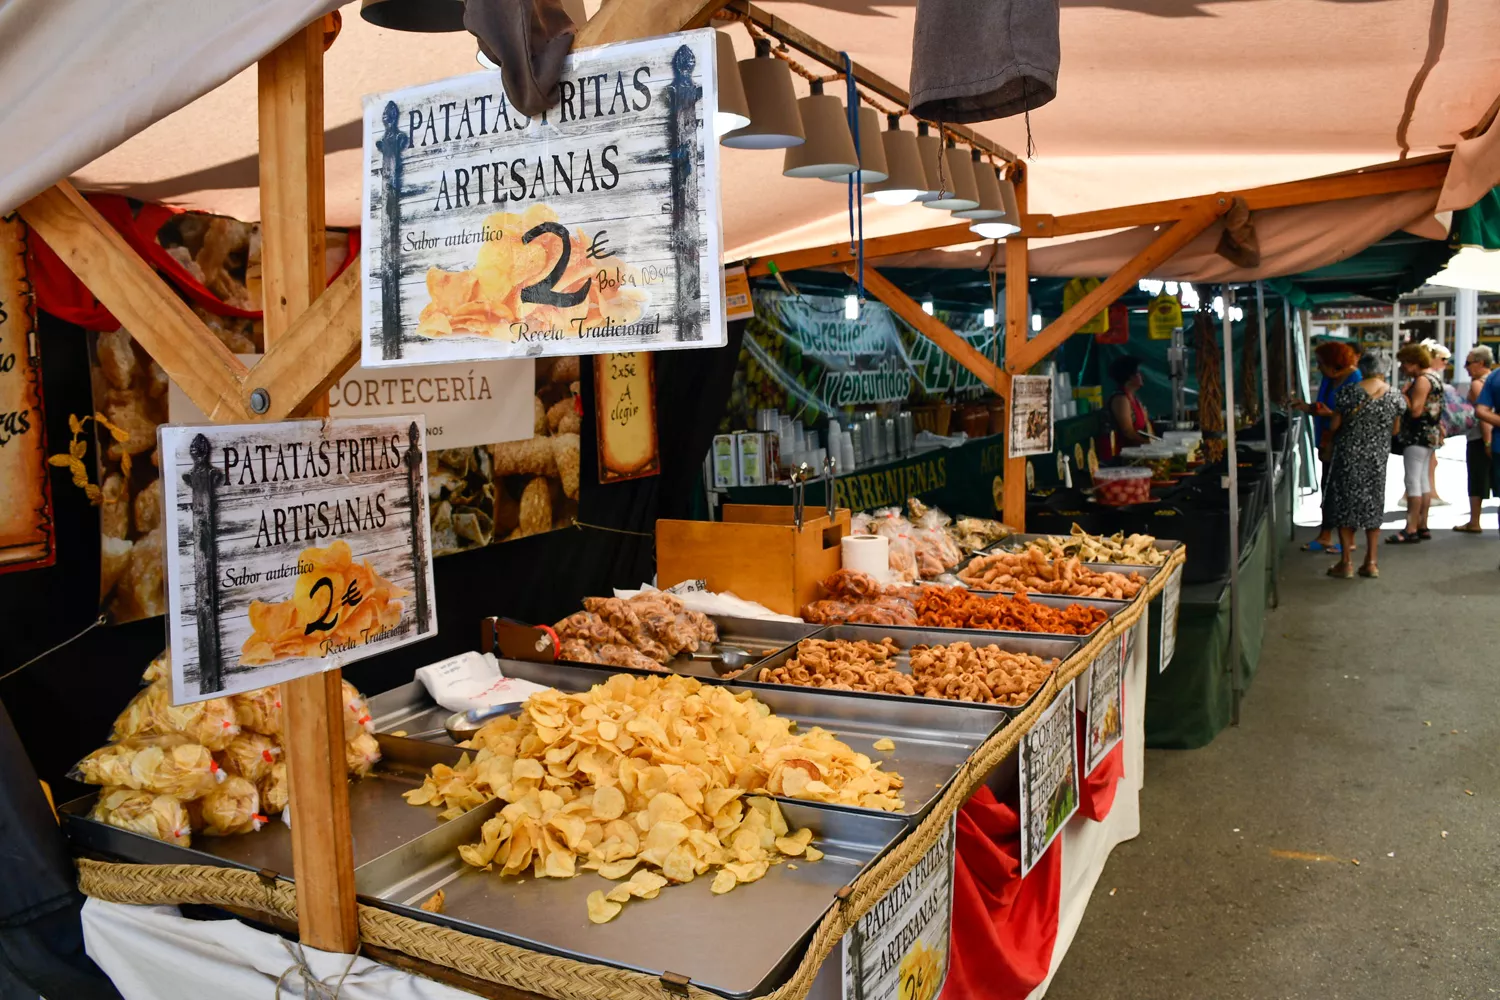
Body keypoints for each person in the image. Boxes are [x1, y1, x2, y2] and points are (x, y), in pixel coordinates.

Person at [1323, 351, 1407, 578]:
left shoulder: (1348, 393)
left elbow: (1334, 426)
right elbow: (1396, 430)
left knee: (1344, 504)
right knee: (1373, 503)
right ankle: (1371, 562)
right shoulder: (1396, 396)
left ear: (1362, 367)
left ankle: (1346, 563)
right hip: (1377, 458)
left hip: (1348, 455)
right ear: (1386, 368)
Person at [1292, 340, 1363, 554]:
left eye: (1321, 363)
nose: (1318, 367)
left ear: (1334, 363)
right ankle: (1326, 535)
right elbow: (1322, 406)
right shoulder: (1329, 378)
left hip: (1345, 443)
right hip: (1327, 441)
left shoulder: (1355, 379)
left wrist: (1331, 415)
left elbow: (1355, 414)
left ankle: (1347, 540)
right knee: (1328, 488)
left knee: (1343, 490)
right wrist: (1306, 407)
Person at [1388, 343, 1442, 544]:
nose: (1402, 367)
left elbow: (1416, 410)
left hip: (1416, 435)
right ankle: (1422, 525)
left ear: (1413, 363)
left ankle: (1410, 528)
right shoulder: (1434, 377)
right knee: (1423, 480)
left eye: (1404, 363)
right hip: (1429, 435)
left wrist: (1402, 395)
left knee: (1413, 481)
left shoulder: (1421, 381)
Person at [1455, 345, 1493, 533]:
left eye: (1468, 363)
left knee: (1477, 478)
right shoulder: (1493, 380)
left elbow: (1484, 415)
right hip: (1490, 437)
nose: (1466, 367)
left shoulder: (1478, 384)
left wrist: (1487, 441)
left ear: (1480, 363)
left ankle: (1474, 521)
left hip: (1480, 438)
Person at [1422, 340, 1452, 506]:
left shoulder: (1428, 377)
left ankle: (1430, 493)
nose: (1446, 363)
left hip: (1431, 425)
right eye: (1443, 359)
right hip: (1427, 426)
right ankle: (1429, 493)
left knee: (1429, 461)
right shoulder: (1428, 378)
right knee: (1428, 461)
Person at [1105, 355, 1151, 451]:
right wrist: (1150, 445)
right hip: (1125, 455)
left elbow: (1147, 426)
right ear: (1130, 377)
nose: (1141, 376)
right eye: (1138, 373)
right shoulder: (1120, 399)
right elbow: (1128, 432)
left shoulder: (1134, 398)